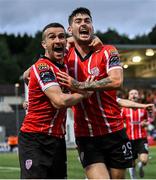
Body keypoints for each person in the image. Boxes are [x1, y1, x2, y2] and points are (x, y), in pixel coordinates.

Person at [57, 7, 133, 179]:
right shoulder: (64, 56)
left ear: (92, 26)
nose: (84, 24)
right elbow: (33, 72)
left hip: (115, 131)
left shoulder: (108, 51)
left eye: (87, 21)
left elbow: (116, 81)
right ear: (70, 29)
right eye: (78, 21)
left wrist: (80, 85)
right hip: (86, 136)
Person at [18, 22, 91, 179]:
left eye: (61, 37)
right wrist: (84, 93)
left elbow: (25, 75)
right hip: (35, 138)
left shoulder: (62, 66)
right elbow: (59, 101)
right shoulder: (43, 67)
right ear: (44, 44)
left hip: (57, 139)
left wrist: (31, 94)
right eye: (52, 37)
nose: (58, 40)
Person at [122, 89, 152, 179]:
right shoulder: (124, 110)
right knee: (131, 162)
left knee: (144, 160)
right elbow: (120, 121)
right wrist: (123, 125)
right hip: (128, 139)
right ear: (128, 97)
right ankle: (133, 178)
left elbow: (147, 120)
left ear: (138, 96)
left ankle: (141, 166)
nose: (134, 95)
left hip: (141, 138)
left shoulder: (143, 109)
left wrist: (145, 123)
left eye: (135, 93)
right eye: (131, 94)